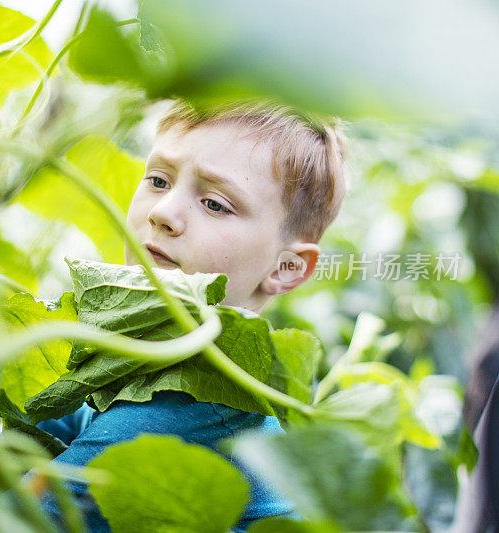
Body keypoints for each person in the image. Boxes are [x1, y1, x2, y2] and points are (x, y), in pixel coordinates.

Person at [20, 100, 350, 532]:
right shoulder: (144, 358)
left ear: (285, 268)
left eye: (214, 204)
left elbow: (9, 518)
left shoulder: (194, 405)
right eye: (158, 180)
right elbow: (50, 421)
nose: (163, 213)